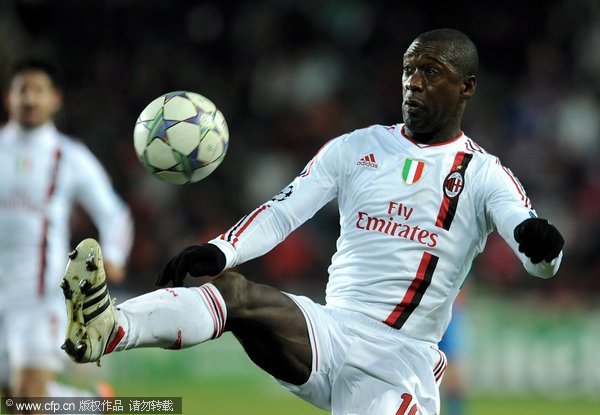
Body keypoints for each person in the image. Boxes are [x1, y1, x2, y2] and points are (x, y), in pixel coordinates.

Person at [61, 29, 563, 415]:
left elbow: (532, 247)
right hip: (328, 332)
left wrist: (543, 248)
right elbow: (284, 210)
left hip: (399, 361)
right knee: (235, 293)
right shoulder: (356, 147)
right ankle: (109, 329)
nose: (414, 81)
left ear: (466, 87)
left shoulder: (485, 174)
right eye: (410, 69)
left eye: (431, 72)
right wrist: (221, 250)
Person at [0, 59, 133, 400]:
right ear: (8, 98)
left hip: (40, 297)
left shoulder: (68, 156)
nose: (29, 99)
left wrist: (114, 256)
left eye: (38, 91)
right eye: (22, 90)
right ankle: (93, 405)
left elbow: (114, 212)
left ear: (55, 99)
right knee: (18, 400)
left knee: (28, 395)